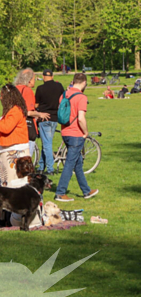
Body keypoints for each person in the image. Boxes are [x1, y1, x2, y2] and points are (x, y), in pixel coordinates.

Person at [54, 73, 98, 203]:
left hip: (65, 132)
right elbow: (81, 118)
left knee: (78, 163)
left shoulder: (64, 95)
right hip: (76, 134)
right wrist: (86, 132)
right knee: (70, 164)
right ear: (84, 83)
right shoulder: (81, 97)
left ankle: (86, 191)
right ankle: (60, 192)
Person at [13, 68, 50, 163]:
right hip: (26, 128)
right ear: (29, 80)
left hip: (14, 127)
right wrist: (40, 114)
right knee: (26, 159)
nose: (34, 82)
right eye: (34, 79)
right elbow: (28, 112)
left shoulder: (14, 89)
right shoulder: (27, 91)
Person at [34, 69, 64, 174]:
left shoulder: (40, 88)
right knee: (45, 142)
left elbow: (36, 104)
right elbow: (62, 99)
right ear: (52, 76)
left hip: (44, 118)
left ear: (43, 77)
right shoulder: (59, 86)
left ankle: (50, 169)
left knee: (47, 144)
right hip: (55, 118)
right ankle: (41, 166)